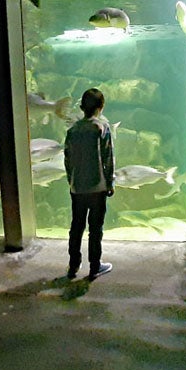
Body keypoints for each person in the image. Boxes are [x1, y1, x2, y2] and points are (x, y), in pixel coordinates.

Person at [64, 88, 115, 280]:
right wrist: (110, 182)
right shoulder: (101, 128)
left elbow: (67, 159)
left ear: (81, 107)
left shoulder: (72, 130)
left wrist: (72, 181)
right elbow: (108, 158)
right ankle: (95, 265)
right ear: (101, 107)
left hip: (77, 188)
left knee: (76, 226)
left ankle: (73, 265)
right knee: (95, 228)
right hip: (97, 187)